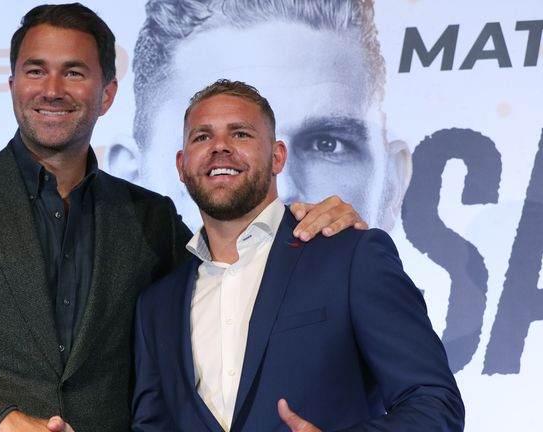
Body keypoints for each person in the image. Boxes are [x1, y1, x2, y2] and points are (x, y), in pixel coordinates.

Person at [0, 4, 365, 432]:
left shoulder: (151, 217)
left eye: (74, 72)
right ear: (13, 85)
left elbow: (236, 280)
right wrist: (1, 421)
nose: (52, 88)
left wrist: (307, 219)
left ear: (108, 93)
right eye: (36, 70)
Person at [132, 80, 464, 431]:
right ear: (182, 165)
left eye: (241, 134)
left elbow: (434, 404)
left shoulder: (351, 257)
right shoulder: (157, 304)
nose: (220, 147)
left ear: (277, 156)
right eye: (202, 137)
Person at [108, 0, 411, 231]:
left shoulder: (374, 283)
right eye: (208, 140)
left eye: (326, 145)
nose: (281, 190)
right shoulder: (150, 307)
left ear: (392, 183)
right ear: (130, 183)